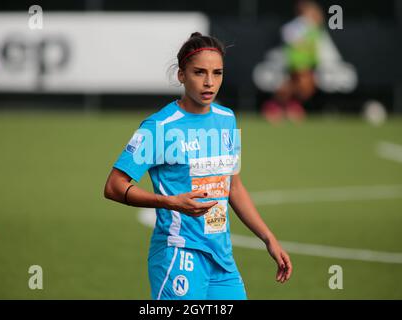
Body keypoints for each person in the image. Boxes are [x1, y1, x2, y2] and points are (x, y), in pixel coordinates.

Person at [104, 32, 292, 300]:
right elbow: (113, 186)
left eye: (217, 73)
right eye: (199, 72)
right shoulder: (160, 127)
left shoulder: (226, 119)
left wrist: (268, 238)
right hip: (178, 253)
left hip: (221, 257)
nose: (209, 82)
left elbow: (233, 187)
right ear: (181, 75)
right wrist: (170, 202)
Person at [262, 0, 324, 123]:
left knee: (300, 88)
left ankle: (285, 106)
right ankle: (277, 106)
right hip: (295, 63)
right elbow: (292, 41)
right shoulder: (297, 26)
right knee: (302, 87)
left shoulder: (313, 28)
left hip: (306, 63)